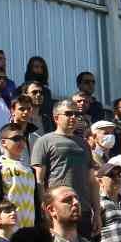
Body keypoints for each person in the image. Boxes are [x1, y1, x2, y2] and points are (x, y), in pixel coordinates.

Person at [32, 99, 95, 232]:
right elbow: (39, 180)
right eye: (68, 114)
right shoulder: (44, 141)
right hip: (59, 209)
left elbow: (92, 181)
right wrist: (44, 210)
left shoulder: (84, 144)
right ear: (56, 118)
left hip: (83, 209)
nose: (73, 117)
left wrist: (97, 211)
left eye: (76, 114)